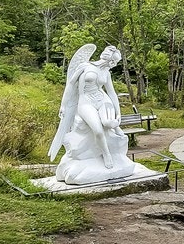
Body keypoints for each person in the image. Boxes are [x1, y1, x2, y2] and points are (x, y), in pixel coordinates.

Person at [48, 44, 148, 184]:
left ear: (112, 61)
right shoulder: (84, 66)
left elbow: (111, 93)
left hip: (102, 100)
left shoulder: (106, 73)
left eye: (111, 55)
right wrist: (64, 105)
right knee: (98, 131)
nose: (107, 54)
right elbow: (70, 85)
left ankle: (115, 127)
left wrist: (118, 113)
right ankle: (106, 154)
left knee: (108, 123)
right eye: (107, 51)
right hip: (85, 102)